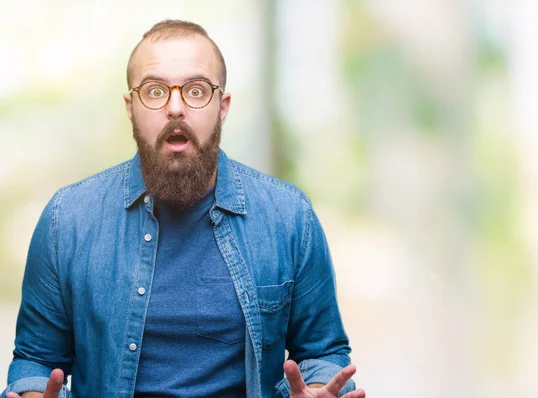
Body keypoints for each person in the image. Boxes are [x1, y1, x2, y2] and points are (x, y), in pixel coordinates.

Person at [1, 20, 366, 398]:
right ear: (131, 107)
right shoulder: (67, 221)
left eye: (196, 90)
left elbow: (323, 352)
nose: (175, 108)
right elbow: (35, 360)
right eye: (155, 91)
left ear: (223, 107)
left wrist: (320, 387)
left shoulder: (290, 217)